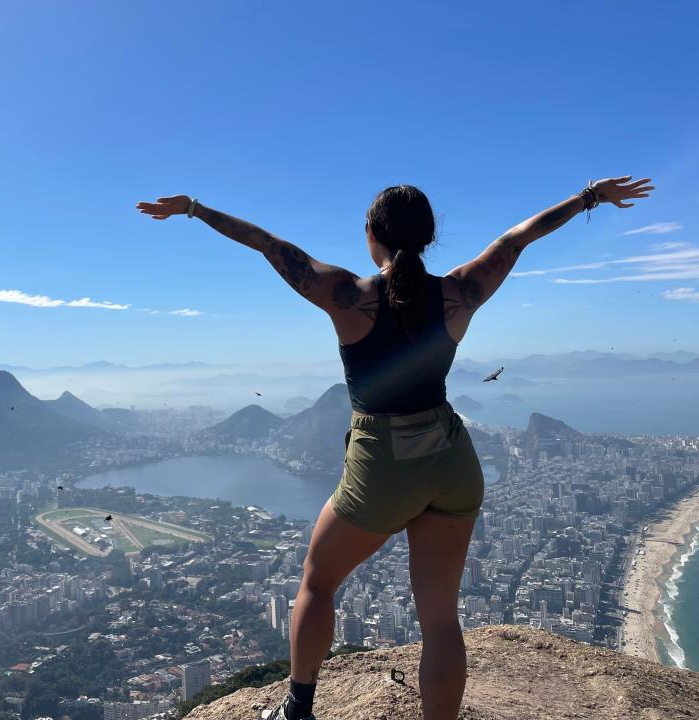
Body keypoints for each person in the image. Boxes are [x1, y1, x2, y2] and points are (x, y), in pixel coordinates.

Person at [136, 175, 652, 720]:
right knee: (440, 620)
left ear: (371, 236)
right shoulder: (460, 293)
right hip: (452, 460)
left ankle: (298, 708)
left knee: (318, 579)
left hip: (383, 464)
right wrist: (589, 197)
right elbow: (516, 239)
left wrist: (194, 208)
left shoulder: (347, 296)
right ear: (429, 236)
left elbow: (270, 244)